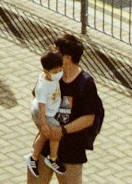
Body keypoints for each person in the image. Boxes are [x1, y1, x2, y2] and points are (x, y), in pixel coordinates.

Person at [26, 33, 101, 183]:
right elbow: (37, 103)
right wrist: (43, 126)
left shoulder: (86, 84)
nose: (51, 52)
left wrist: (62, 131)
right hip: (45, 147)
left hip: (72, 153)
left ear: (67, 58)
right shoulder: (49, 75)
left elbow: (89, 118)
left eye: (56, 50)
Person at [26, 49, 65, 178]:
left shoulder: (50, 77)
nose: (59, 73)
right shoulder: (43, 86)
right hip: (42, 113)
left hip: (48, 111)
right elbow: (42, 107)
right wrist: (43, 124)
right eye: (55, 72)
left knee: (44, 135)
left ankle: (33, 157)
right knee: (55, 133)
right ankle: (52, 158)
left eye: (60, 70)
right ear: (46, 71)